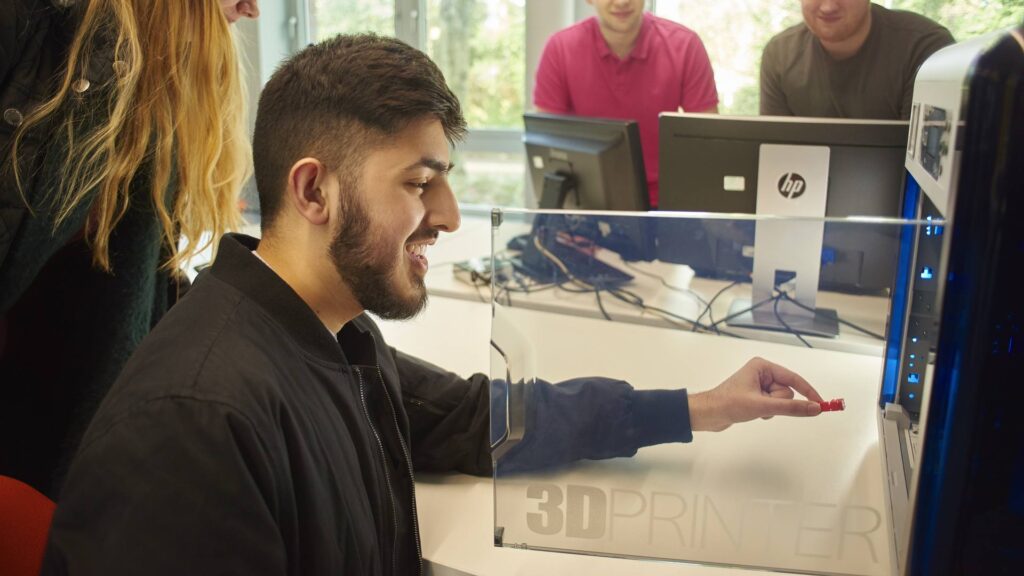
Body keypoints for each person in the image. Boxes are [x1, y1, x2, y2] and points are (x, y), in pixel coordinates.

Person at [42, 34, 823, 575]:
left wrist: (698, 407)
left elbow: (479, 419)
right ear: (314, 189)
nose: (449, 216)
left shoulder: (334, 334)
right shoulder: (197, 425)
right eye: (419, 183)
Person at [0, 0, 259, 497]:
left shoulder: (156, 99)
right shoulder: (31, 25)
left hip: (67, 464)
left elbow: (148, 291)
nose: (252, 10)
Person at [533, 0, 719, 207]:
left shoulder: (685, 45)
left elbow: (708, 144)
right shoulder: (560, 48)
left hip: (666, 201)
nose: (622, 2)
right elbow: (546, 145)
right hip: (585, 201)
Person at [760, 0, 955, 119]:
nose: (828, 6)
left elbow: (924, 171)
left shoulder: (924, 48)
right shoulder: (779, 55)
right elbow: (774, 155)